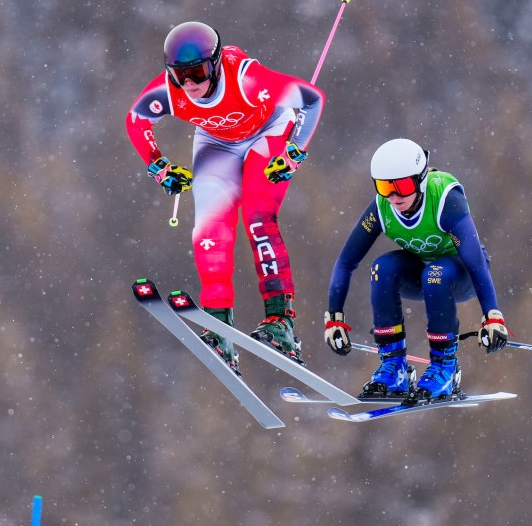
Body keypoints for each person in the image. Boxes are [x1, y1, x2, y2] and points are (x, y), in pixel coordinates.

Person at [126, 21, 325, 373]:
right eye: (180, 75)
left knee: (257, 216)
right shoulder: (169, 91)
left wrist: (294, 152)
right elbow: (136, 120)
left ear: (215, 64)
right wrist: (160, 167)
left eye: (198, 72)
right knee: (208, 228)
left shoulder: (248, 80)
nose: (190, 84)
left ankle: (281, 321)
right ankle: (218, 325)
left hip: (269, 131)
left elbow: (312, 98)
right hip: (216, 142)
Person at [322, 138, 510, 404]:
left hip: (462, 275)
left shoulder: (445, 198)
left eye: (402, 187)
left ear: (420, 180)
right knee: (382, 268)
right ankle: (394, 367)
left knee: (436, 274)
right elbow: (346, 262)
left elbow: (476, 263)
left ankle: (445, 368)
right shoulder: (382, 208)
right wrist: (334, 317)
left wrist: (492, 315)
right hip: (423, 273)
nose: (394, 197)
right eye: (385, 187)